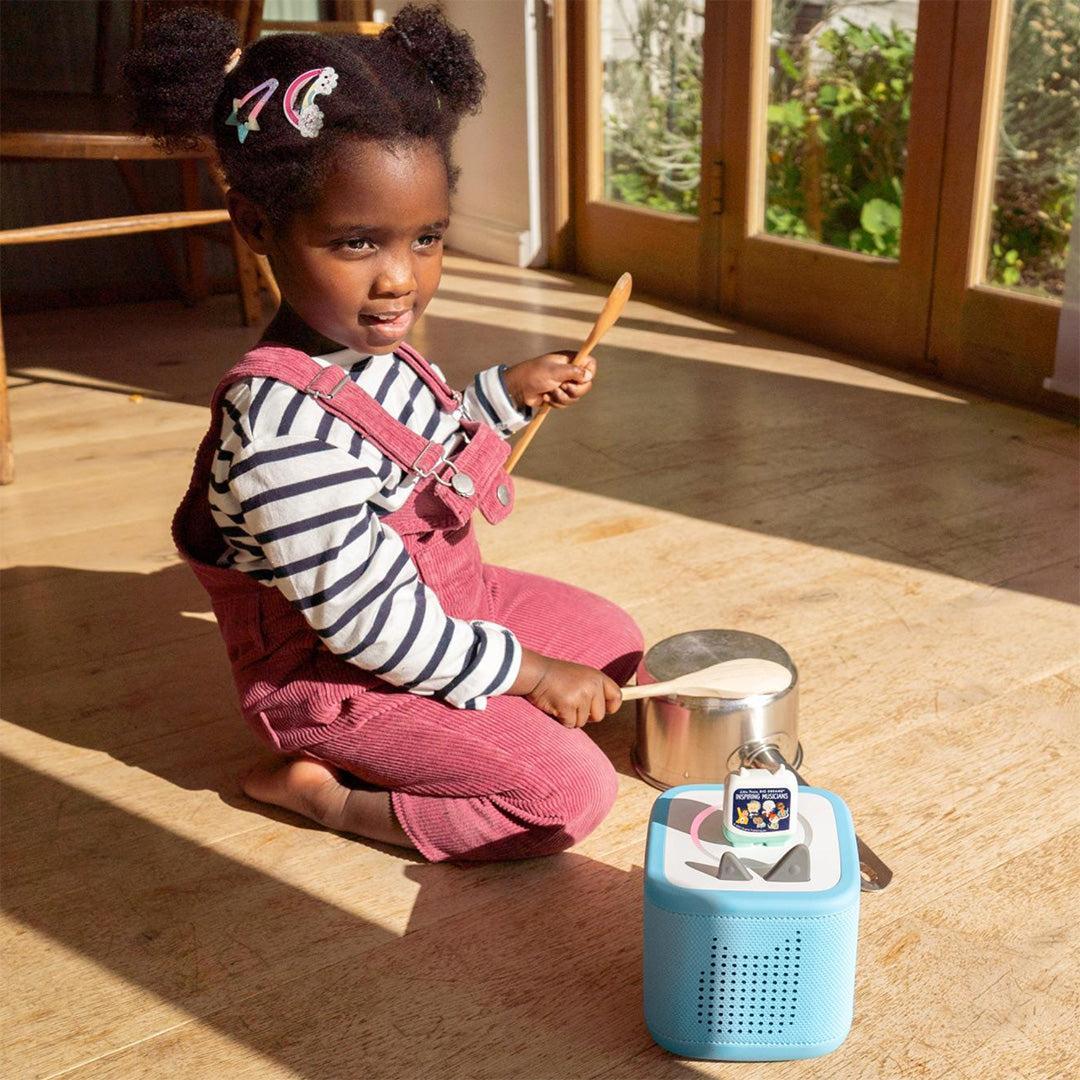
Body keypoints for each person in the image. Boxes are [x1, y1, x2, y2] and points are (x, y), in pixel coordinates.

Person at [124, 5, 644, 863]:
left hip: (450, 608)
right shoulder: (279, 435)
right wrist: (534, 674)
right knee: (564, 797)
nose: (400, 278)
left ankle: (486, 714)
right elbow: (374, 627)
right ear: (256, 225)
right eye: (357, 242)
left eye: (427, 237)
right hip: (343, 671)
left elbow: (421, 448)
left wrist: (508, 394)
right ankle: (327, 795)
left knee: (617, 641)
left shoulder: (371, 349)